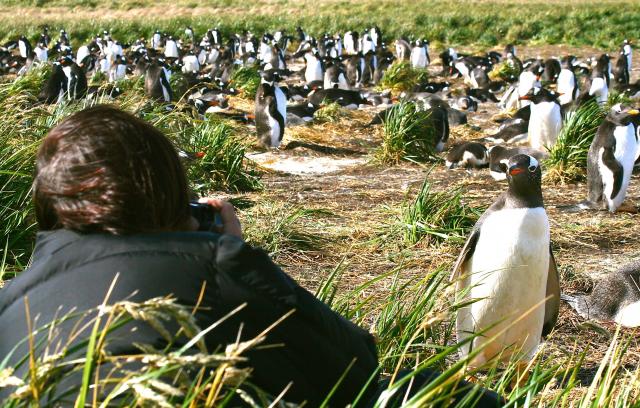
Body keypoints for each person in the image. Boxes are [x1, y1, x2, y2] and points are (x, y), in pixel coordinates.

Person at [0, 105, 502, 406]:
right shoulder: (214, 265)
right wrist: (230, 248)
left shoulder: (9, 305)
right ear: (167, 191)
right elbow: (355, 371)